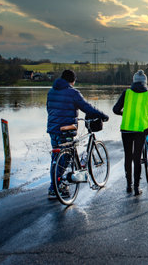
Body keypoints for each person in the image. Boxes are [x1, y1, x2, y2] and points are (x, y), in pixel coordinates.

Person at [46, 69, 109, 199]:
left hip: (53, 128)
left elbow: (49, 108)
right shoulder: (73, 93)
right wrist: (103, 115)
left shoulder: (51, 91)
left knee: (55, 158)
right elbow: (87, 107)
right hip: (66, 129)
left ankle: (54, 186)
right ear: (72, 80)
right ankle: (57, 187)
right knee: (65, 158)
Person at [113, 70, 148, 196]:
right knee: (137, 157)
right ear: (145, 82)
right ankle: (136, 188)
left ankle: (128, 185)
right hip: (141, 130)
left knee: (128, 157)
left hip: (126, 129)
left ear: (133, 81)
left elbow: (115, 109)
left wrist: (123, 113)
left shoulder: (126, 93)